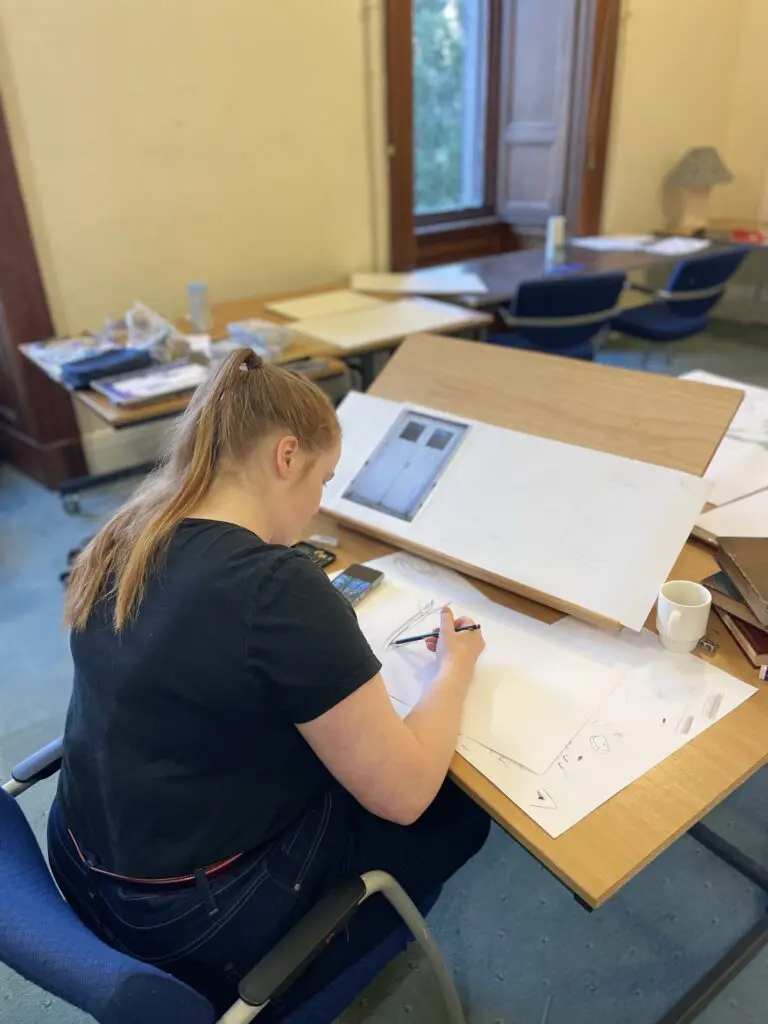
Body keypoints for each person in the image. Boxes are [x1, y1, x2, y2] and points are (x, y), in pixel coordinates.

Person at [48, 348, 490, 1019]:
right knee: (453, 811)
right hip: (189, 920)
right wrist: (453, 669)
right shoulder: (277, 585)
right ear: (287, 456)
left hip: (84, 871)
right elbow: (404, 795)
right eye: (323, 479)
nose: (319, 505)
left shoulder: (126, 534)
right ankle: (353, 950)